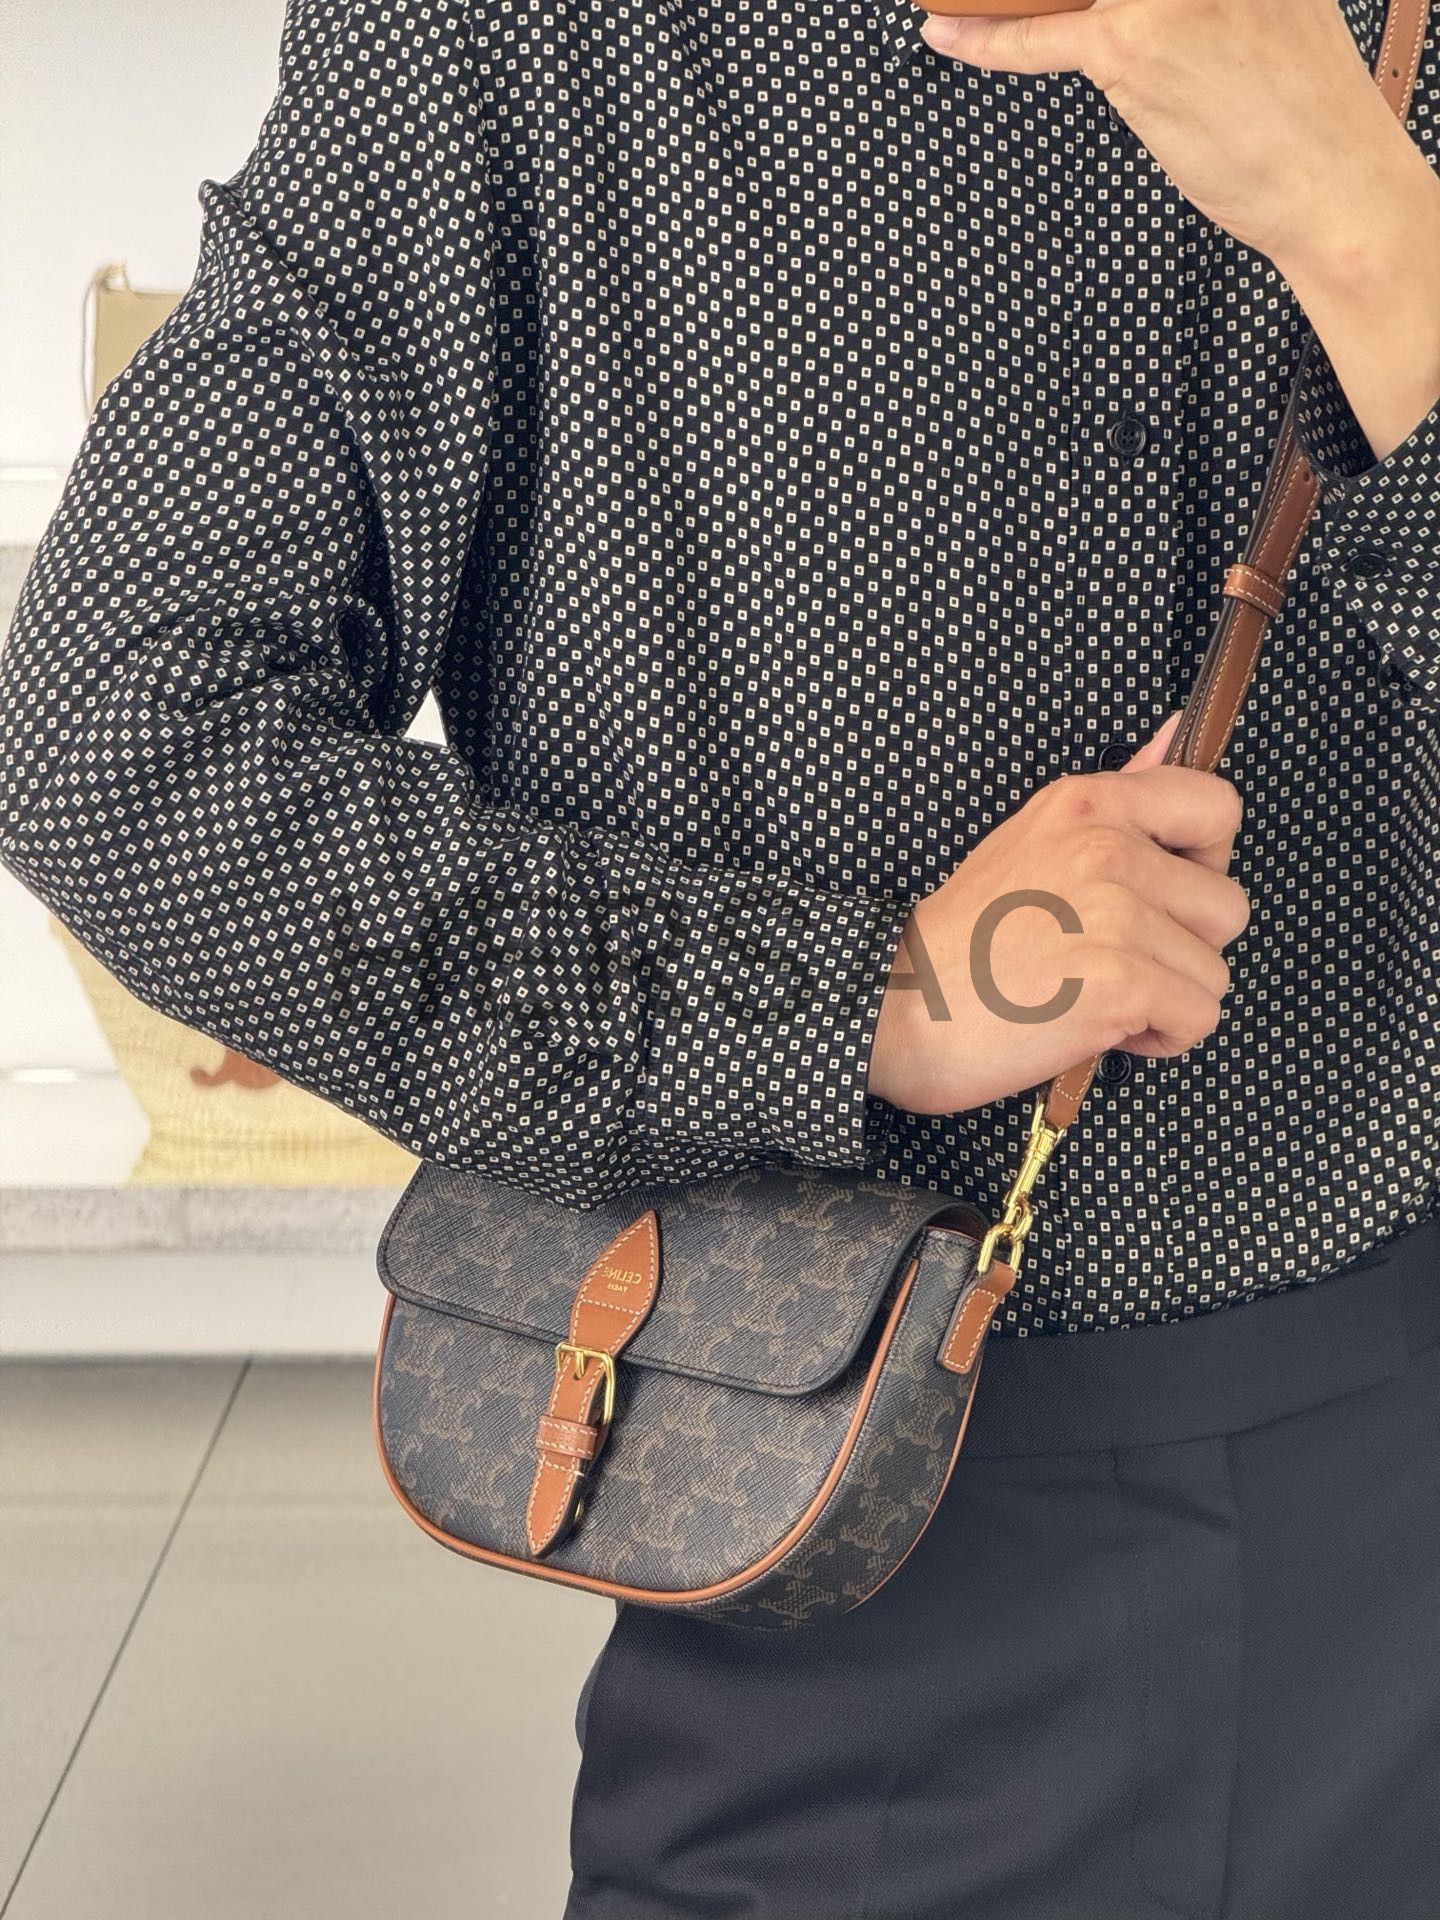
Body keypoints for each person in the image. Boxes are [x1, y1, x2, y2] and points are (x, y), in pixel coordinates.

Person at [2, 0, 1437, 1913]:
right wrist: (855, 997)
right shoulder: (513, 39)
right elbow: (118, 742)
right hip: (849, 1540)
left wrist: (1370, 230)